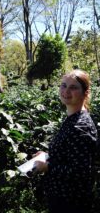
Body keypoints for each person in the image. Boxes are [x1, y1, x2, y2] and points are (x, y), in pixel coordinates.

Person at [34, 70, 98, 213]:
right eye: (63, 85)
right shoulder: (73, 118)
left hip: (70, 202)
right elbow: (69, 155)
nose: (66, 91)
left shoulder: (81, 126)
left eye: (73, 87)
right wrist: (48, 156)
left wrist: (47, 167)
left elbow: (80, 171)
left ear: (85, 93)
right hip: (61, 198)